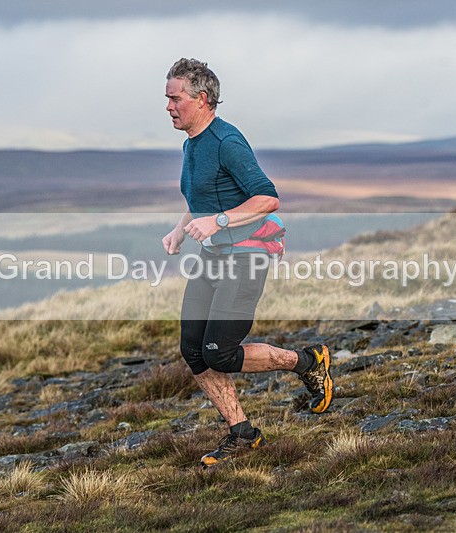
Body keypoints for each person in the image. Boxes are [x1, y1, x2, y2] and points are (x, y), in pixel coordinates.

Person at [161, 58, 333, 468]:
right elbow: (202, 201)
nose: (168, 106)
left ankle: (308, 363)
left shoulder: (226, 142)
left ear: (201, 99)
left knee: (219, 352)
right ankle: (243, 433)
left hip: (246, 257)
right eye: (166, 98)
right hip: (213, 256)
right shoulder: (192, 144)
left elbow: (267, 198)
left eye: (175, 98)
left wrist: (218, 221)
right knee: (193, 348)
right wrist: (181, 230)